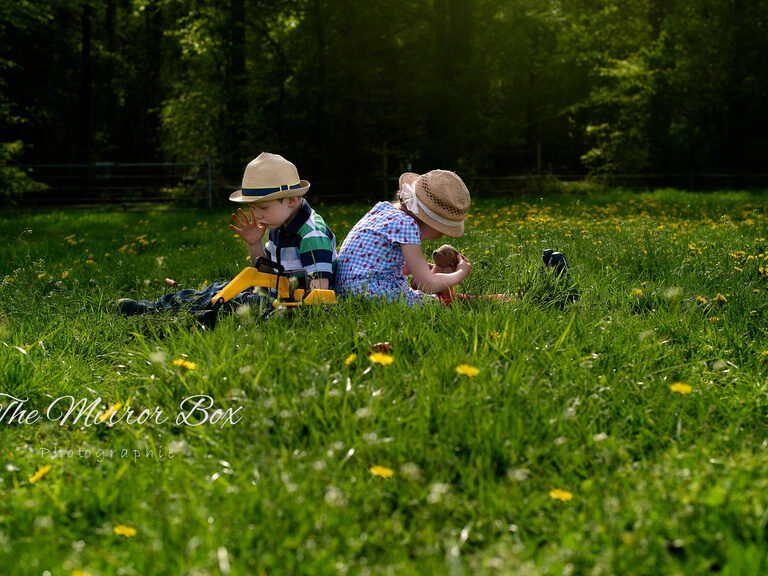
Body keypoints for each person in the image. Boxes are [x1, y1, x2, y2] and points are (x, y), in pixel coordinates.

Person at [116, 152, 336, 315]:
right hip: (274, 290)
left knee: (245, 302)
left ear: (291, 200)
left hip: (289, 302)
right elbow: (267, 272)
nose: (256, 215)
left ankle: (194, 317)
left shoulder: (312, 236)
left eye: (263, 208)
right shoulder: (279, 223)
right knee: (219, 288)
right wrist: (254, 245)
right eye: (252, 208)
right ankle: (159, 306)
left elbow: (319, 296)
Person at [336, 169, 472, 306]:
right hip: (374, 294)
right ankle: (485, 299)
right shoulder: (408, 225)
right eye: (442, 230)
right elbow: (427, 284)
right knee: (442, 302)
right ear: (428, 221)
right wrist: (460, 273)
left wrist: (419, 268)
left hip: (346, 291)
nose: (442, 235)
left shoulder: (383, 210)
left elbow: (380, 263)